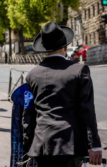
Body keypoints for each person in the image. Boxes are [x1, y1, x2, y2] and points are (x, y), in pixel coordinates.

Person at [23, 22, 102, 167]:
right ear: (65, 47)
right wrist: (94, 145)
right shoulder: (79, 70)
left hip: (41, 146)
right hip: (70, 145)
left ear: (44, 50)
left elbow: (29, 114)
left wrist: (28, 145)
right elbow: (87, 111)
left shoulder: (32, 75)